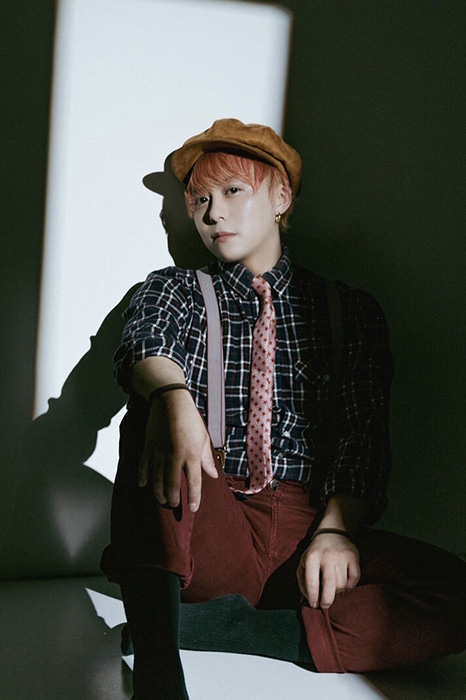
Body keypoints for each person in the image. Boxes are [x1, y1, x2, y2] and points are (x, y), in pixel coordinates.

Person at [101, 119, 466, 699]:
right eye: (200, 201)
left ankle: (242, 631)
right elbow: (146, 342)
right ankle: (158, 661)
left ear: (281, 197)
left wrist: (336, 530)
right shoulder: (177, 288)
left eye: (232, 191)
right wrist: (173, 400)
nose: (213, 213)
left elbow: (364, 436)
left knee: (455, 591)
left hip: (308, 535)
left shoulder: (349, 310)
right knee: (154, 416)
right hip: (211, 516)